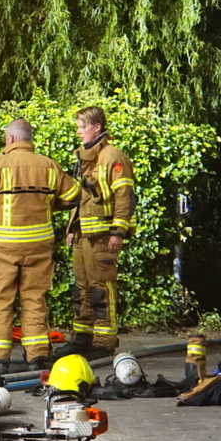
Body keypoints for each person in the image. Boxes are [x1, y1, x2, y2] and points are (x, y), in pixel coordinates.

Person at [0, 118, 80, 378]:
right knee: (35, 301)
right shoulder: (50, 166)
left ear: (11, 139)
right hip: (39, 246)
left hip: (2, 247)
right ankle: (38, 357)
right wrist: (49, 205)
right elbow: (74, 197)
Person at [57, 106, 136, 361]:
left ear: (97, 127)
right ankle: (82, 338)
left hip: (103, 236)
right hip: (83, 235)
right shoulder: (83, 157)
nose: (78, 131)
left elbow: (125, 197)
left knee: (101, 290)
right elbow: (80, 197)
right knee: (81, 290)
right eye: (78, 126)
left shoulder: (114, 157)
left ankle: (104, 342)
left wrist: (118, 232)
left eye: (83, 126)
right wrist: (72, 228)